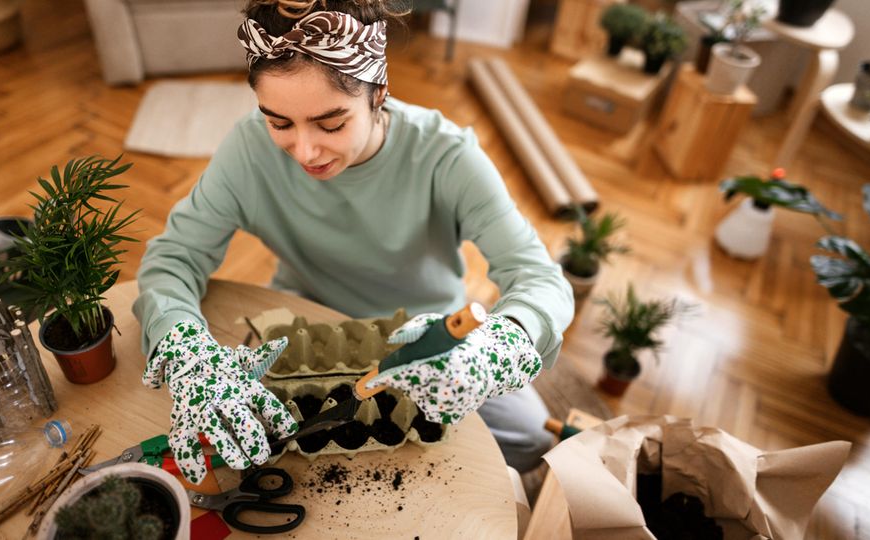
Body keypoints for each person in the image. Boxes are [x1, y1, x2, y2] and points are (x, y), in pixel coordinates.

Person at [133, 0, 574, 484]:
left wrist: (499, 347)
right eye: (279, 122)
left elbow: (540, 279)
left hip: (430, 345)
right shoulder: (248, 150)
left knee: (530, 436)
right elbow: (173, 257)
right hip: (303, 326)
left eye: (331, 123)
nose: (303, 150)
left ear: (378, 94)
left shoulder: (446, 158)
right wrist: (186, 350)